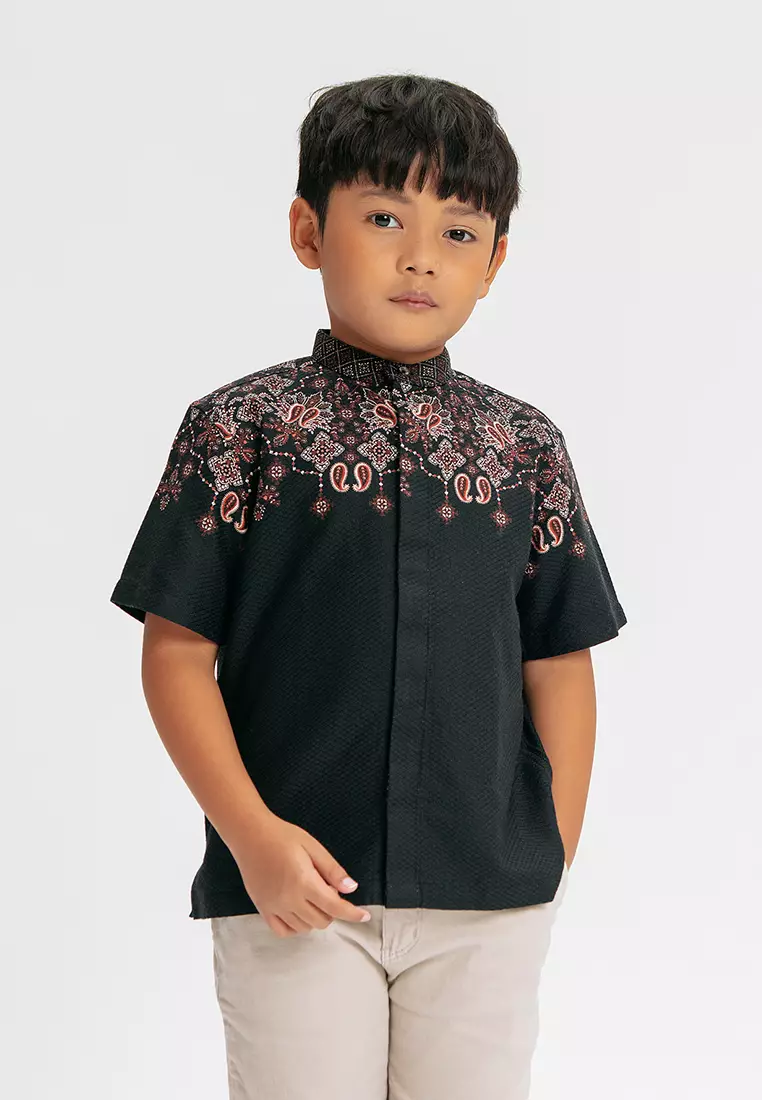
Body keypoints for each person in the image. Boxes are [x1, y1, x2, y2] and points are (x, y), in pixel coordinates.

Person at [110, 73, 627, 1100]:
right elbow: (175, 656)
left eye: (459, 231)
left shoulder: (524, 447)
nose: (420, 256)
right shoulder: (240, 430)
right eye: (385, 216)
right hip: (293, 890)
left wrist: (547, 850)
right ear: (308, 231)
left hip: (487, 897)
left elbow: (558, 661)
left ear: (496, 261)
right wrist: (253, 840)